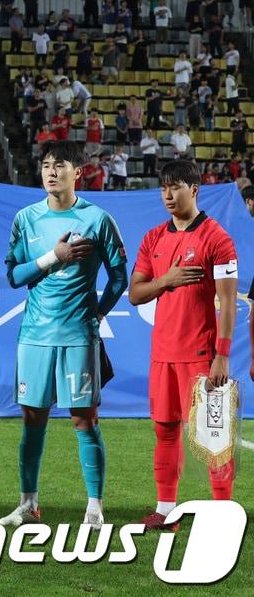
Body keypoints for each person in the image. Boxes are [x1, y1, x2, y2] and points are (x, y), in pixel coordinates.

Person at [0, 142, 128, 527]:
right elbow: (14, 276)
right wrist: (54, 256)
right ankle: (28, 504)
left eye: (60, 165)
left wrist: (99, 311)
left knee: (84, 419)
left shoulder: (98, 219)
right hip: (35, 335)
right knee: (32, 419)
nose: (52, 172)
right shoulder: (26, 218)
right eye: (46, 166)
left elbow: (120, 276)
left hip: (77, 335)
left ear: (78, 171)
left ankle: (94, 506)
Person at [127, 160, 238, 531]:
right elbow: (135, 294)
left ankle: (222, 513)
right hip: (163, 355)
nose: (168, 196)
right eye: (164, 188)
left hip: (201, 356)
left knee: (214, 436)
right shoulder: (153, 238)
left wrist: (222, 354)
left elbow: (227, 301)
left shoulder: (217, 239)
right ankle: (166, 511)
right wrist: (167, 280)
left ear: (194, 190)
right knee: (165, 431)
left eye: (176, 188)